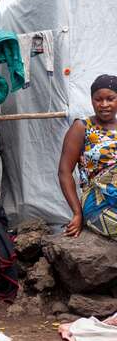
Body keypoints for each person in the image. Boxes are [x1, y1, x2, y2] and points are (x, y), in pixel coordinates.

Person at [58, 74, 117, 240]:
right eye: (98, 99)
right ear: (92, 100)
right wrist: (77, 213)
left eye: (110, 99)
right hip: (99, 203)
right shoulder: (82, 127)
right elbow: (64, 172)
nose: (104, 104)